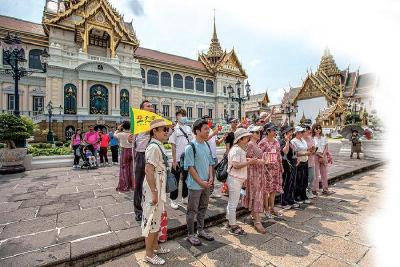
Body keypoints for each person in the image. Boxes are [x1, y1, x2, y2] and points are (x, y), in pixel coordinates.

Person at [142, 119, 171, 265]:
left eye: (167, 129)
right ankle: (149, 254)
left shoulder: (157, 145)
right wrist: (154, 192)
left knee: (157, 218)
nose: (167, 132)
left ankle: (155, 247)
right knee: (152, 219)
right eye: (164, 129)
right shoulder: (153, 147)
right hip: (154, 187)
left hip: (159, 185)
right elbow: (148, 170)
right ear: (154, 131)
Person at [184, 119, 215, 246]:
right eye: (205, 129)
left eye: (208, 129)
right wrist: (201, 182)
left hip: (206, 184)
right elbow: (190, 168)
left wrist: (211, 177)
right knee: (192, 210)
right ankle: (190, 234)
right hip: (195, 185)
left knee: (203, 208)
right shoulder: (190, 147)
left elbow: (210, 163)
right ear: (197, 131)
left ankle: (200, 229)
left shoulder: (206, 145)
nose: (208, 131)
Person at [226, 128, 258, 235]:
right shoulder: (237, 149)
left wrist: (248, 160)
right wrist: (250, 162)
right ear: (240, 139)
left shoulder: (239, 148)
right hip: (235, 178)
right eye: (246, 137)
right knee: (233, 204)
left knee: (232, 202)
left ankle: (230, 222)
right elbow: (236, 165)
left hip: (236, 178)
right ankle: (233, 226)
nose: (248, 138)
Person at [242, 125, 267, 234]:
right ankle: (257, 221)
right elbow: (246, 158)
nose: (259, 133)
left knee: (256, 194)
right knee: (256, 195)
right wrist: (259, 161)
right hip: (253, 173)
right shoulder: (250, 144)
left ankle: (254, 215)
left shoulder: (255, 144)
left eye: (259, 132)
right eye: (256, 132)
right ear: (251, 133)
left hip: (258, 172)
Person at [134, 100, 154, 221]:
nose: (151, 107)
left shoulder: (154, 120)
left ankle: (151, 205)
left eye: (151, 106)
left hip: (152, 154)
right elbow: (134, 137)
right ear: (142, 109)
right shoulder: (138, 120)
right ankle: (138, 210)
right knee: (139, 183)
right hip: (141, 154)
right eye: (148, 106)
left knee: (153, 182)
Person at [168, 108, 192, 209]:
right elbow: (173, 146)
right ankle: (173, 200)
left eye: (184, 115)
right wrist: (174, 160)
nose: (182, 117)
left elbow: (191, 143)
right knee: (175, 180)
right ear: (177, 117)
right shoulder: (174, 129)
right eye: (180, 115)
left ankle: (185, 197)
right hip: (177, 159)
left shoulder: (189, 129)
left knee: (186, 179)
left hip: (187, 159)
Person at [259, 123, 284, 218]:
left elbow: (279, 155)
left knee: (273, 189)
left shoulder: (276, 141)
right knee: (266, 190)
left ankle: (272, 208)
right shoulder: (263, 142)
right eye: (273, 130)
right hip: (266, 169)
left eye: (275, 130)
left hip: (276, 168)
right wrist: (267, 155)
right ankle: (266, 209)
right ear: (268, 131)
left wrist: (281, 166)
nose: (275, 132)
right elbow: (259, 155)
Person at [203, 115, 224, 198]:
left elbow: (217, 143)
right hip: (206, 157)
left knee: (213, 175)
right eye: (208, 120)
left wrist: (223, 137)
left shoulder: (212, 130)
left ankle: (211, 191)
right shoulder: (204, 130)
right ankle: (206, 192)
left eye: (210, 120)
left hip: (214, 156)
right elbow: (204, 140)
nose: (210, 121)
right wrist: (213, 134)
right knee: (207, 175)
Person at [279, 125, 299, 210]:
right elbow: (285, 151)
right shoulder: (282, 142)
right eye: (289, 132)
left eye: (291, 132)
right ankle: (284, 201)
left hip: (293, 165)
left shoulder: (290, 142)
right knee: (286, 183)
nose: (291, 134)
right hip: (286, 165)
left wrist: (297, 159)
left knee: (292, 183)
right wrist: (287, 141)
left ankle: (291, 199)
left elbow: (294, 152)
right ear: (284, 133)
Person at [312, 123, 334, 195]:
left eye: (319, 128)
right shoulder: (312, 138)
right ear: (314, 129)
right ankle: (314, 189)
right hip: (315, 155)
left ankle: (325, 189)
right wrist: (319, 154)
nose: (318, 129)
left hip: (323, 155)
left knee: (324, 173)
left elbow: (326, 147)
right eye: (316, 128)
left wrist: (323, 155)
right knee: (315, 173)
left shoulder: (323, 137)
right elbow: (313, 149)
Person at [290, 126, 310, 204]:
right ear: (297, 133)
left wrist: (310, 150)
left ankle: (303, 195)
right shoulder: (293, 141)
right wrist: (305, 153)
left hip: (305, 161)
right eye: (301, 132)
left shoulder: (303, 140)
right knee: (298, 180)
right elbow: (295, 153)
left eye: (303, 132)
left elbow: (305, 149)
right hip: (299, 162)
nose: (302, 133)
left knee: (305, 180)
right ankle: (297, 196)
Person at [115, 121, 134, 192]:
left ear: (123, 127)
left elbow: (114, 135)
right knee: (132, 169)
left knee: (124, 169)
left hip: (124, 151)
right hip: (132, 151)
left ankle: (125, 185)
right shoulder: (133, 134)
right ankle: (132, 185)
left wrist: (118, 129)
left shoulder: (120, 134)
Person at [221, 117, 239, 196]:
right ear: (230, 123)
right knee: (229, 173)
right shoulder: (228, 134)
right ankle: (227, 190)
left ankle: (233, 189)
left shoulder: (238, 132)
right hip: (231, 154)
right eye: (233, 122)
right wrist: (229, 155)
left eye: (236, 122)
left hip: (238, 154)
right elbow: (227, 147)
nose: (235, 123)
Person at [303, 125, 317, 199]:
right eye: (306, 130)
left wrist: (313, 150)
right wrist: (309, 150)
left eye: (309, 130)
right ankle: (305, 192)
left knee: (312, 177)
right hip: (304, 161)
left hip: (311, 160)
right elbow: (301, 151)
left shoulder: (311, 139)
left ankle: (309, 190)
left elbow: (314, 149)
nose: (308, 132)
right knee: (305, 178)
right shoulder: (301, 139)